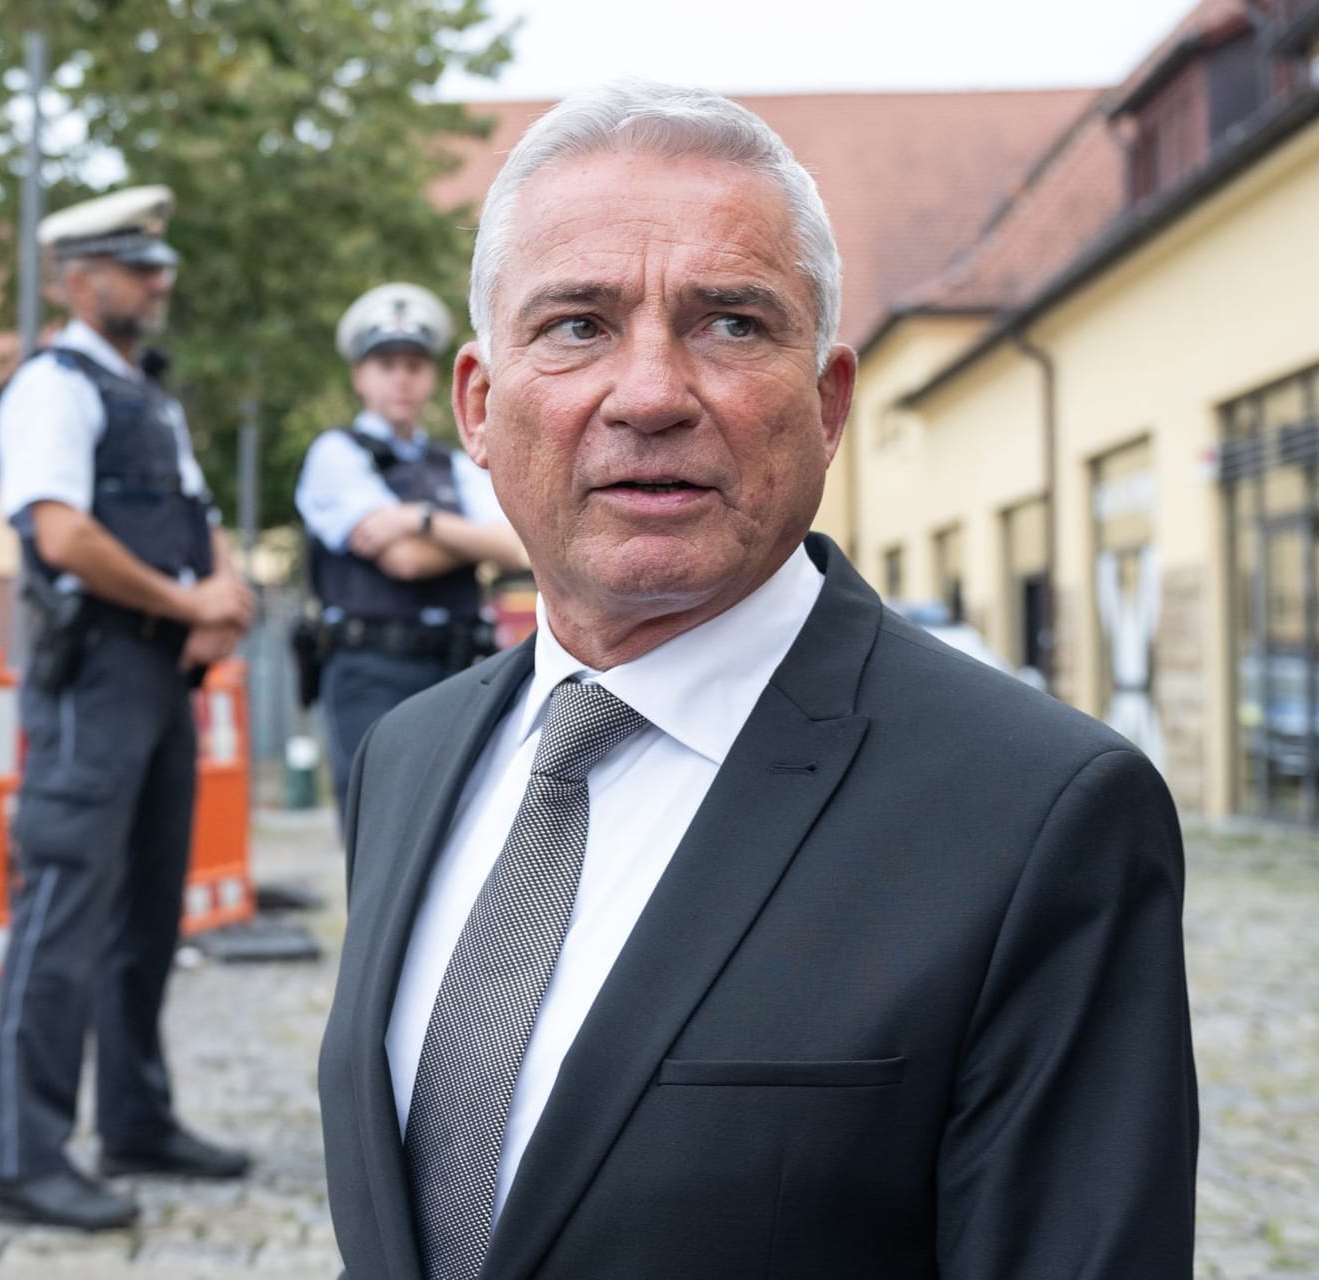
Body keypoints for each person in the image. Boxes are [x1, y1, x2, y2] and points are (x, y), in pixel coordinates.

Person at [318, 82, 1197, 1279]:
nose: (650, 393)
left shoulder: (1038, 811)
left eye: (730, 322)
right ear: (479, 405)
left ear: (828, 401)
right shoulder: (407, 758)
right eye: (577, 323)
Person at [0, 184, 257, 1232]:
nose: (160, 280)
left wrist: (223, 597)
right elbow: (62, 534)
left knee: (147, 909)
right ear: (76, 276)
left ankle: (137, 1121)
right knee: (61, 911)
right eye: (138, 264)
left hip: (156, 675)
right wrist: (188, 599)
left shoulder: (145, 393)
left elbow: (197, 514)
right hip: (95, 673)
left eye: (160, 264)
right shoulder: (54, 387)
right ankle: (26, 1159)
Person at [294, 282, 527, 816]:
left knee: (453, 826)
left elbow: (518, 546)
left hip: (457, 664)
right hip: (372, 667)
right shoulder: (337, 454)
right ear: (360, 376)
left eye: (414, 365)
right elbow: (405, 561)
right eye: (386, 364)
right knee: (380, 824)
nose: (402, 378)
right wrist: (470, 540)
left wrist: (418, 518)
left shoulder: (455, 461)